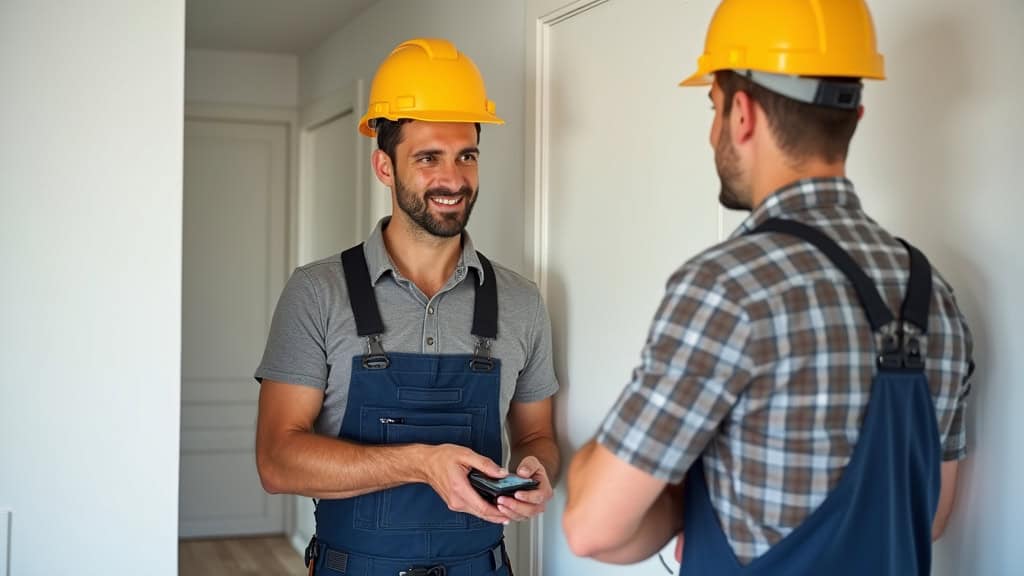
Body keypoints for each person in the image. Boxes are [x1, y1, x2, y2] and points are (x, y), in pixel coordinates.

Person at [562, 1, 974, 574]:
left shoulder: (730, 287)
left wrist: (670, 495)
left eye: (713, 106)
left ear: (742, 114)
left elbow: (591, 529)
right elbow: (926, 516)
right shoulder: (935, 297)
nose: (712, 131)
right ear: (852, 118)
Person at [254, 38, 559, 576]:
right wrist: (421, 464)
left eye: (467, 155)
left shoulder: (520, 301)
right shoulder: (318, 292)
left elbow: (537, 436)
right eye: (428, 158)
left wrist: (538, 470)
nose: (454, 179)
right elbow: (277, 461)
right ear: (384, 167)